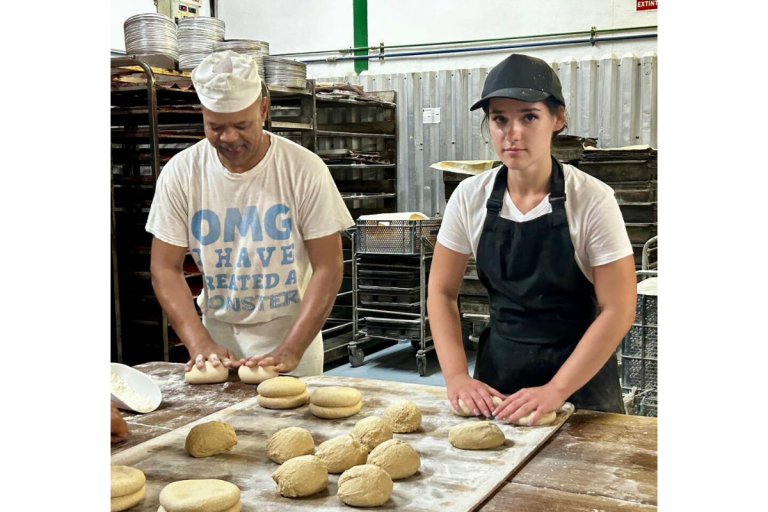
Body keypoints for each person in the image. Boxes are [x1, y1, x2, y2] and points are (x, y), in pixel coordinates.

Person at [428, 54, 637, 424]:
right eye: (499, 119)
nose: (513, 133)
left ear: (557, 118)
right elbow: (442, 294)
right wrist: (458, 376)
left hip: (580, 383)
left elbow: (618, 308)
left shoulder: (590, 198)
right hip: (499, 382)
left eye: (529, 116)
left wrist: (556, 390)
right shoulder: (469, 197)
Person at [147, 51, 354, 377]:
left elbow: (329, 266)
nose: (229, 138)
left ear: (263, 109)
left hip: (292, 331)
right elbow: (164, 267)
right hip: (217, 336)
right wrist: (198, 341)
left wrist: (292, 348)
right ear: (202, 114)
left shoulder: (302, 169)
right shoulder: (182, 173)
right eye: (215, 127)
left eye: (241, 125)